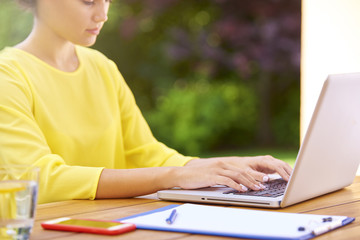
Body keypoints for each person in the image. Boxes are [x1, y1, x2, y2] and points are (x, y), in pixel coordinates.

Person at [0, 0, 292, 204]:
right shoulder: (7, 77)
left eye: (107, 0)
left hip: (110, 224)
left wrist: (227, 166)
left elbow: (148, 156)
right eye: (88, 1)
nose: (103, 15)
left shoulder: (102, 68)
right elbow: (42, 181)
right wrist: (172, 177)